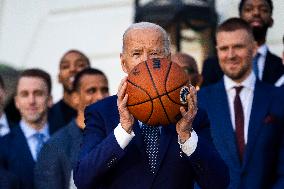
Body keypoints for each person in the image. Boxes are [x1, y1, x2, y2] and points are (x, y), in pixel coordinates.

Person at [74, 22, 229, 189]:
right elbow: (83, 179)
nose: (146, 62)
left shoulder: (191, 115)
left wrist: (186, 135)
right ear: (123, 63)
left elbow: (218, 183)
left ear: (168, 60)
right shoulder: (101, 113)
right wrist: (123, 130)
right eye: (136, 54)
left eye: (155, 53)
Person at [198, 18, 284, 188]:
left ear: (253, 48)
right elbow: (194, 166)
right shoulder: (200, 101)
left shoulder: (279, 98)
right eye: (224, 48)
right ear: (217, 51)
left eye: (238, 47)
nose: (230, 55)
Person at [34, 68, 109, 189]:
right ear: (75, 98)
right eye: (91, 91)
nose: (100, 96)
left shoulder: (118, 136)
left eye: (104, 90)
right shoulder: (55, 146)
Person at [202, 0, 284, 86]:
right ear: (240, 18)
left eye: (263, 10)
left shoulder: (281, 66)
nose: (256, 13)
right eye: (248, 9)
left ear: (271, 20)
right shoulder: (212, 65)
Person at [0, 69, 56, 189]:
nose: (31, 101)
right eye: (25, 94)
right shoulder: (2, 147)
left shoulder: (68, 140)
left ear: (50, 100)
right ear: (16, 102)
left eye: (38, 93)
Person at [48, 50, 90, 131]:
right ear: (59, 77)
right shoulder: (47, 116)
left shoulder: (103, 111)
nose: (72, 69)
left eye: (80, 65)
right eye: (65, 66)